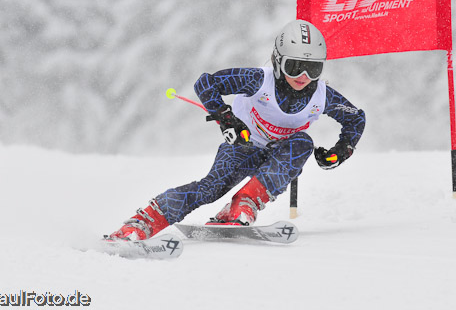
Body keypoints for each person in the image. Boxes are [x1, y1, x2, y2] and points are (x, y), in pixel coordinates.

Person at [108, 20, 366, 241]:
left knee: (302, 144)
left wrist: (341, 151)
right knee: (210, 189)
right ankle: (141, 223)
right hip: (243, 147)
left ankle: (244, 203)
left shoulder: (322, 96)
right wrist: (226, 118)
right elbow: (206, 83)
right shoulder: (257, 80)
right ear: (278, 61)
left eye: (314, 68)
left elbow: (356, 119)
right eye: (294, 67)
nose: (304, 76)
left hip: (280, 157)